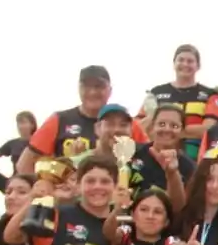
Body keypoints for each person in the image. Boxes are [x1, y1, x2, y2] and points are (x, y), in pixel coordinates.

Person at [17, 66, 148, 175]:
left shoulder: (127, 125)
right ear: (79, 89)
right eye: (86, 87)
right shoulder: (59, 120)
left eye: (99, 87)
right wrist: (45, 190)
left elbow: (150, 160)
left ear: (110, 90)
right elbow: (24, 165)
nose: (92, 92)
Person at [147, 44, 218, 161]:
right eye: (181, 60)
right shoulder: (156, 93)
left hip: (196, 161)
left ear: (198, 66)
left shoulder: (210, 95)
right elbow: (143, 126)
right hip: (158, 158)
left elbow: (209, 129)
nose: (185, 64)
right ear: (174, 64)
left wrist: (169, 131)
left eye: (190, 61)